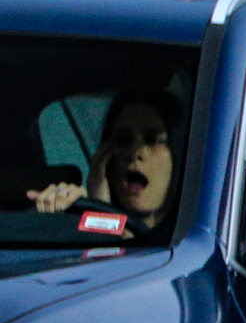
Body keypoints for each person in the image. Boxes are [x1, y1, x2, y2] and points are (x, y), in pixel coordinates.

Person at [27, 89, 183, 237]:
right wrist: (95, 209)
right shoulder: (85, 217)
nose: (135, 152)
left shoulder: (190, 239)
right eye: (122, 139)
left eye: (152, 140)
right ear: (104, 158)